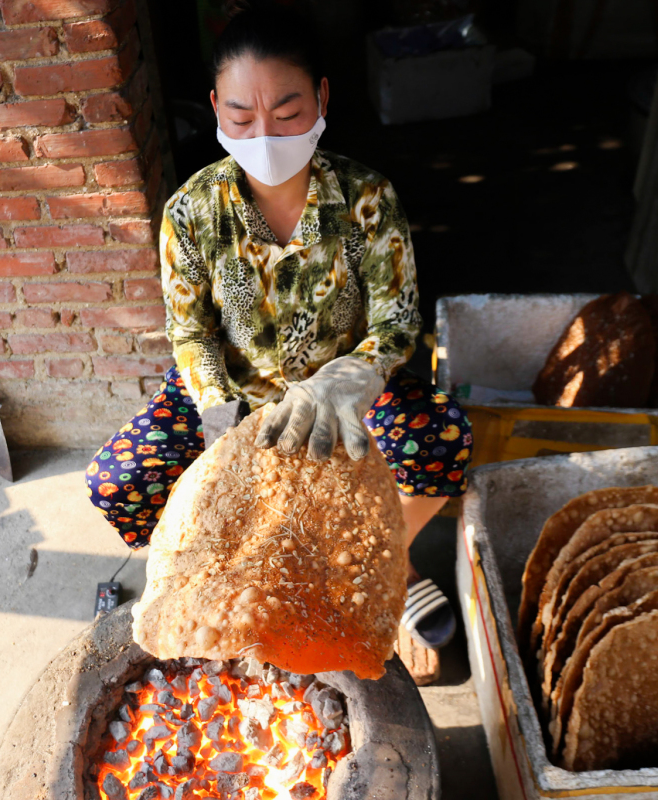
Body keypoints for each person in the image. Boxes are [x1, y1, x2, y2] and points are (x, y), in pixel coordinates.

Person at [84, 3, 472, 651]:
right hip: (235, 394)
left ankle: (378, 559)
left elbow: (398, 322)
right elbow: (191, 333)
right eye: (241, 115)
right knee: (119, 482)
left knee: (441, 442)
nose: (264, 133)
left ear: (321, 98)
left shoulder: (367, 198)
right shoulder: (191, 212)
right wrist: (217, 414)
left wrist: (352, 377)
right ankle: (221, 569)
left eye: (287, 112)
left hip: (340, 394)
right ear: (214, 107)